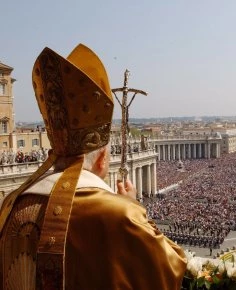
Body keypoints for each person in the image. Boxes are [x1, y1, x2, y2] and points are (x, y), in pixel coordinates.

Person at [0, 44, 186, 290]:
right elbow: (171, 268)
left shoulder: (12, 204)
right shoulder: (119, 214)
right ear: (102, 159)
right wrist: (136, 209)